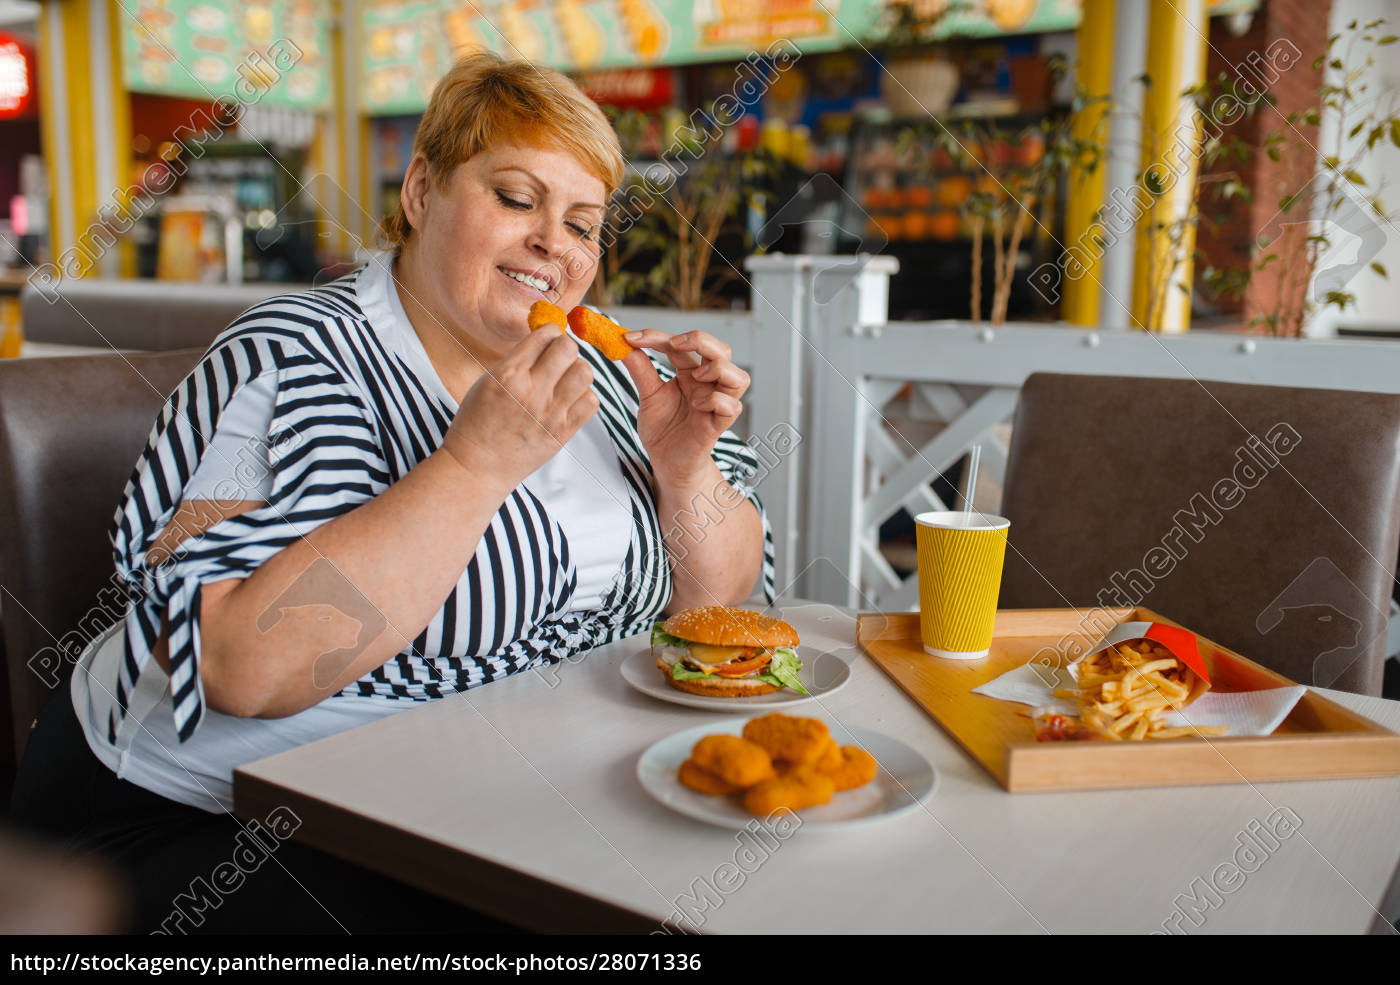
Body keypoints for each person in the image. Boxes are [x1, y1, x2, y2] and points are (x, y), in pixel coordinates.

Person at [9, 53, 772, 933]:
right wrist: (472, 468)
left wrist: (684, 466)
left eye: (584, 222)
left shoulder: (601, 376)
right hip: (213, 825)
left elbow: (713, 603)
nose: (553, 243)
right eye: (517, 198)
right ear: (420, 192)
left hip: (483, 798)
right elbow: (242, 669)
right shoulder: (293, 361)